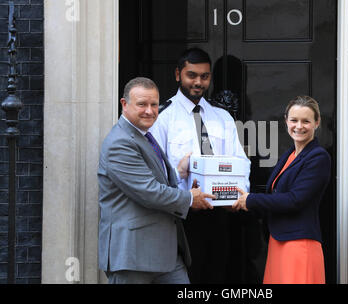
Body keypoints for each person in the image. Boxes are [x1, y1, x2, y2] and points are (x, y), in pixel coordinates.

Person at [98, 77, 216, 284]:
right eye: (142, 104)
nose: (150, 111)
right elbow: (148, 191)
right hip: (133, 255)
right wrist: (189, 198)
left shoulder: (144, 135)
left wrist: (178, 174)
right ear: (124, 105)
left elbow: (153, 180)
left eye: (154, 104)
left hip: (166, 253)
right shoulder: (120, 142)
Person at [151, 48, 251, 283]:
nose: (198, 82)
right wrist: (180, 179)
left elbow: (240, 162)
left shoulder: (222, 117)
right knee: (187, 279)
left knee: (216, 276)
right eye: (191, 75)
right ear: (178, 74)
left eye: (204, 76)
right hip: (181, 216)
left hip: (220, 213)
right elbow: (154, 172)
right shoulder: (162, 117)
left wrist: (239, 196)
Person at [232, 96, 331, 284]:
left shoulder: (318, 157)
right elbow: (274, 195)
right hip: (279, 241)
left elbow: (295, 200)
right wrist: (238, 199)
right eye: (294, 120)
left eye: (306, 121)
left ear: (317, 123)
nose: (299, 126)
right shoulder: (290, 155)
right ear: (286, 121)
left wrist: (251, 200)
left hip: (300, 244)